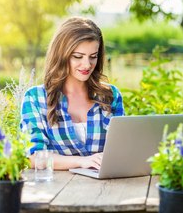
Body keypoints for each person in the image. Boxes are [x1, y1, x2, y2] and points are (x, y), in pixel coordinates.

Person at [20, 17, 125, 170]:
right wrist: (82, 161)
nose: (87, 64)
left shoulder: (110, 96)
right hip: (58, 190)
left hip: (106, 187)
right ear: (61, 55)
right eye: (78, 56)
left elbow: (121, 149)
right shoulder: (36, 98)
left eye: (93, 56)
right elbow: (34, 157)